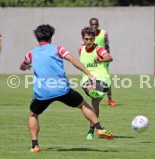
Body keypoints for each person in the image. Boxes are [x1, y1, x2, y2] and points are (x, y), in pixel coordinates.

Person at [20, 24, 114, 152]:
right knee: (83, 105)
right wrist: (89, 74)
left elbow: (22, 66)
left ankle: (35, 145)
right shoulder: (58, 49)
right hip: (62, 90)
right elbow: (73, 60)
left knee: (33, 115)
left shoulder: (31, 53)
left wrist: (27, 67)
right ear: (51, 37)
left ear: (37, 38)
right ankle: (99, 128)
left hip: (42, 92)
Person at [79, 27, 114, 140]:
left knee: (94, 103)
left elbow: (109, 57)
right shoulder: (81, 50)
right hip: (87, 79)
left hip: (102, 79)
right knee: (93, 95)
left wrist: (100, 59)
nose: (88, 41)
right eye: (86, 39)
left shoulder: (99, 49)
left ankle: (91, 131)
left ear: (94, 39)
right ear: (83, 39)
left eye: (91, 39)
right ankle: (96, 92)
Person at [89, 18, 117, 106]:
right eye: (92, 25)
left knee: (106, 79)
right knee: (92, 79)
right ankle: (96, 97)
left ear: (98, 24)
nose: (94, 26)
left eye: (96, 24)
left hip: (102, 60)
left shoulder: (103, 33)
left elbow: (107, 46)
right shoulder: (88, 34)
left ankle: (110, 99)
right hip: (91, 61)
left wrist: (106, 58)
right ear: (90, 25)